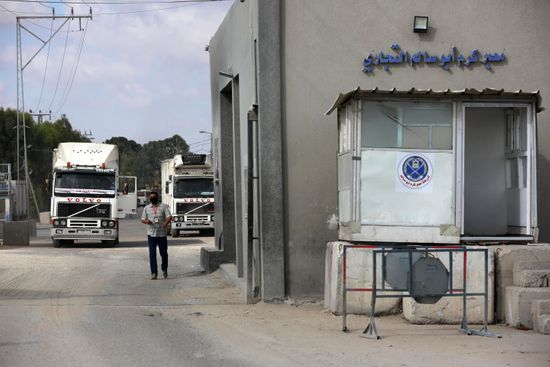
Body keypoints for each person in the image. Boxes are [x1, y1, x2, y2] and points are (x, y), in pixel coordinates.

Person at [140, 191, 172, 279]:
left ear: (157, 198)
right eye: (151, 197)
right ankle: (154, 272)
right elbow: (142, 219)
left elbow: (169, 217)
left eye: (154, 197)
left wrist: (165, 223)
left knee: (164, 253)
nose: (152, 198)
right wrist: (147, 221)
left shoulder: (163, 206)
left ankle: (164, 268)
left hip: (162, 234)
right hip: (151, 234)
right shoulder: (147, 208)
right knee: (152, 254)